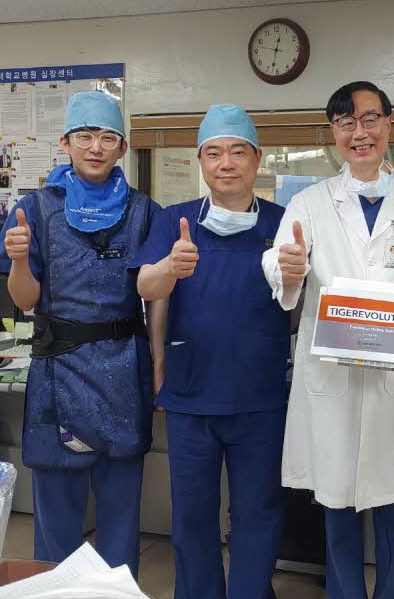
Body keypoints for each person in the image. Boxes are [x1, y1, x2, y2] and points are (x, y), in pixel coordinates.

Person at [262, 81, 394, 598]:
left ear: (388, 125)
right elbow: (280, 266)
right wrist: (288, 269)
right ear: (333, 132)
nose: (360, 132)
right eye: (346, 122)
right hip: (332, 388)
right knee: (337, 513)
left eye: (370, 119)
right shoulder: (309, 204)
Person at [0, 91, 160, 577]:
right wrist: (19, 259)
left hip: (124, 371)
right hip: (57, 370)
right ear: (65, 143)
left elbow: (156, 293)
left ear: (122, 147)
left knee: (120, 518)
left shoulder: (144, 211)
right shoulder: (35, 209)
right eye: (84, 136)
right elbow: (25, 300)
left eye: (108, 137)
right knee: (57, 522)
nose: (95, 147)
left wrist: (160, 365)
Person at [134, 105, 289, 599]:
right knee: (192, 515)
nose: (226, 163)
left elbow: (302, 302)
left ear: (257, 159)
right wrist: (170, 268)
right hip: (190, 390)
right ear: (200, 161)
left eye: (238, 152)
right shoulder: (174, 220)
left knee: (258, 513)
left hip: (260, 395)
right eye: (214, 152)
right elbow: (147, 287)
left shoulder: (284, 223)